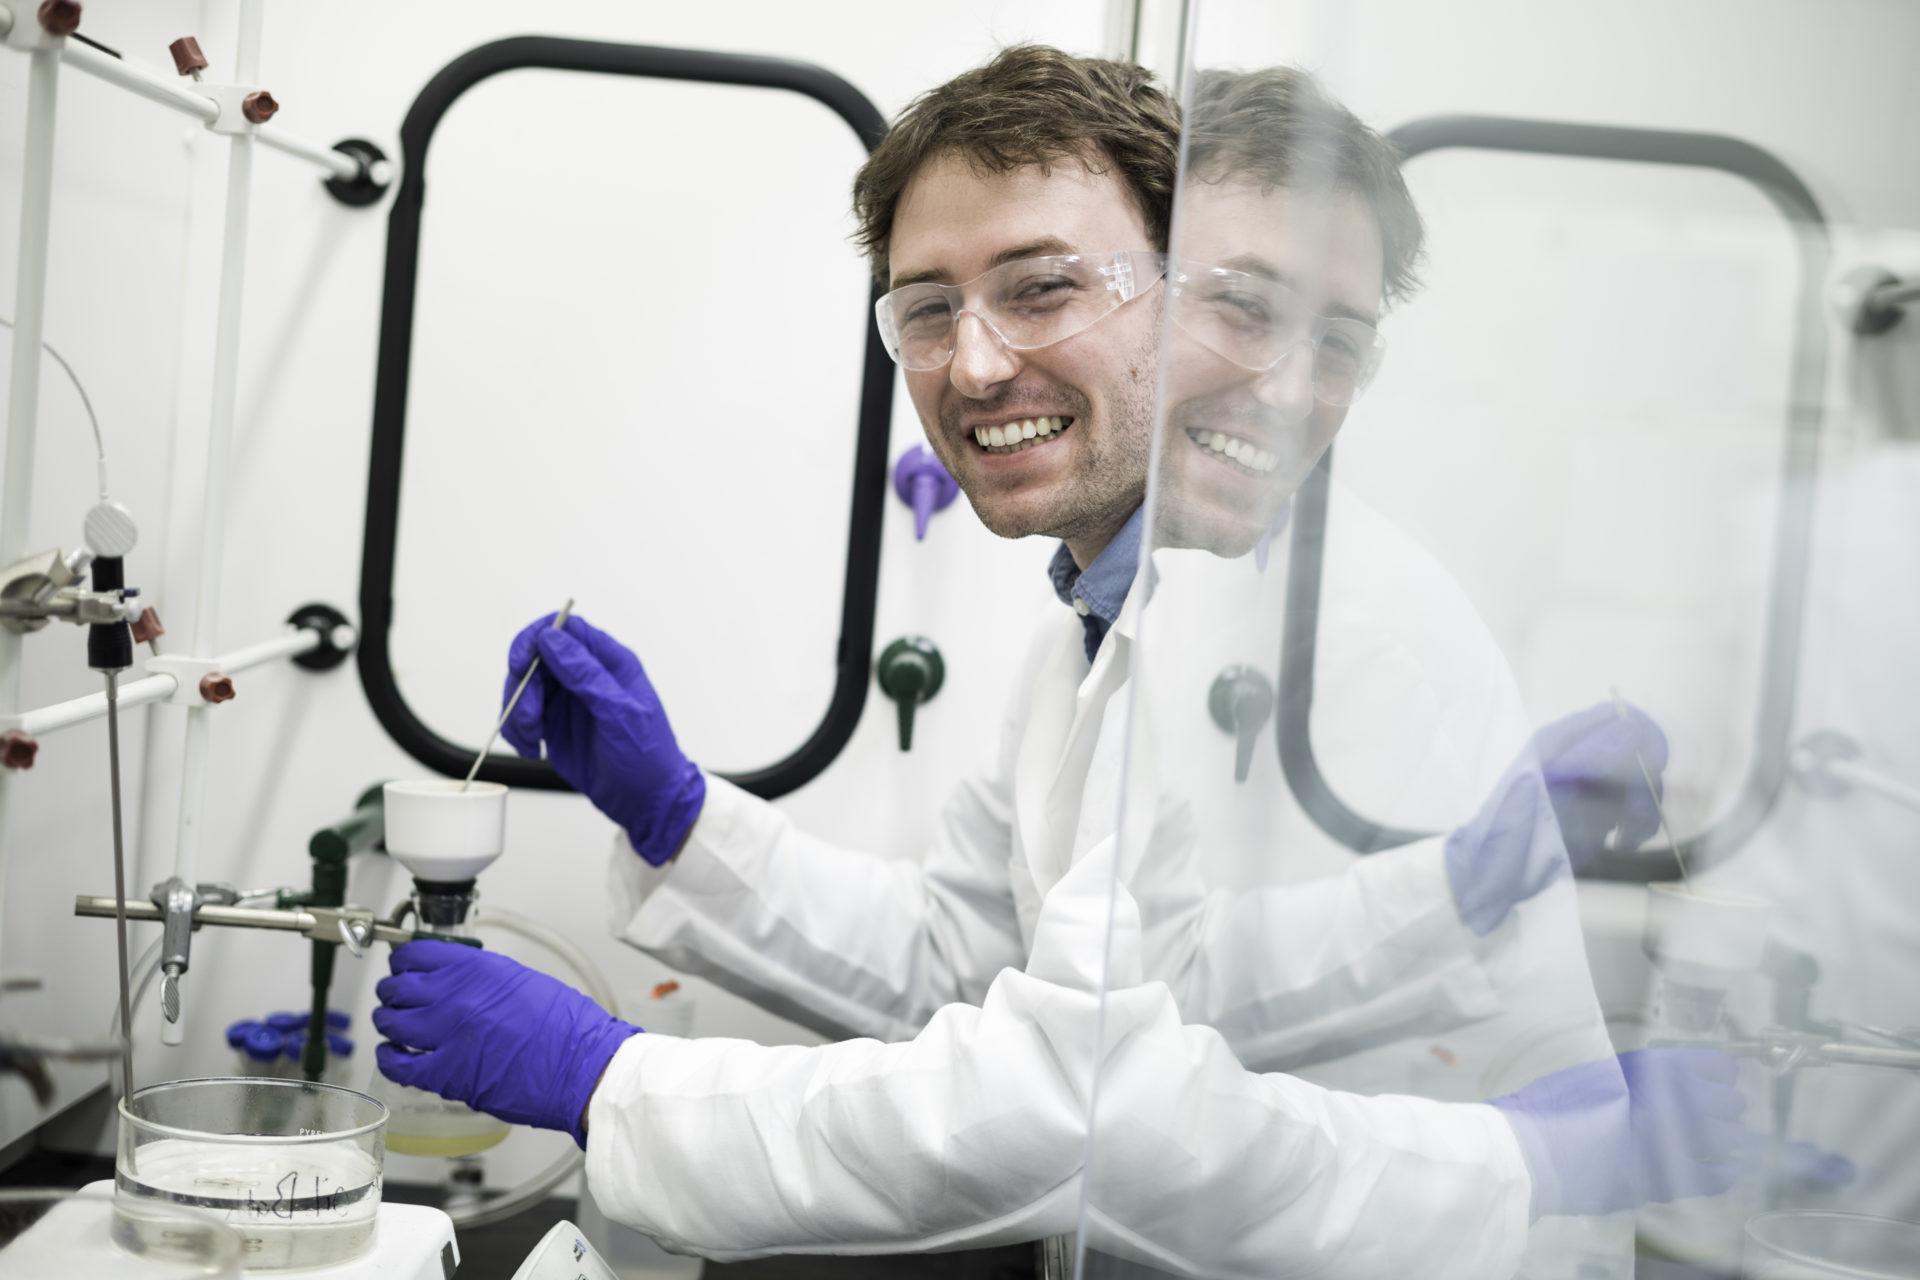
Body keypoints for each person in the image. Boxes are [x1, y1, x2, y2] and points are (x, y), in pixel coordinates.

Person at [373, 48, 1747, 1275]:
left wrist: (612, 1079)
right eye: (926, 309)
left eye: (1045, 289)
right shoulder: (1095, 610)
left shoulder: (1330, 615)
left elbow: (1088, 1104)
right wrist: (676, 811)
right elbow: (968, 960)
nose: (975, 365)